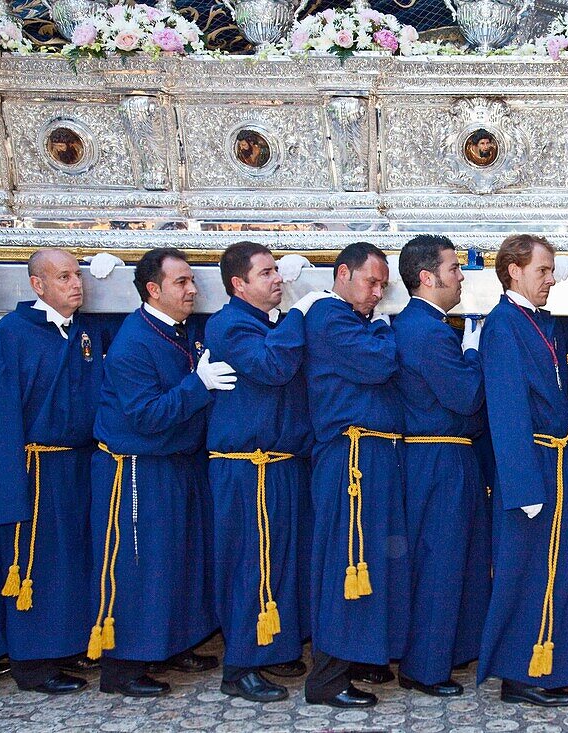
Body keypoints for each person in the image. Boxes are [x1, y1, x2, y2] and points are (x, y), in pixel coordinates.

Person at [89, 247, 234, 697]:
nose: (192, 289)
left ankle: (172, 643)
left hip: (176, 462)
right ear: (153, 289)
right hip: (138, 468)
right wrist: (198, 385)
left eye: (192, 280)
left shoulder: (177, 331)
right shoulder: (135, 341)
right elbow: (145, 415)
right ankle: (125, 665)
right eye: (181, 282)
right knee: (139, 564)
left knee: (181, 560)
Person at [204, 242, 330, 703]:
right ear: (239, 284)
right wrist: (299, 314)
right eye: (266, 274)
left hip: (279, 464)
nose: (277, 279)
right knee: (247, 564)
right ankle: (239, 667)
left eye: (277, 270)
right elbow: (272, 368)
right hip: (246, 470)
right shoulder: (229, 324)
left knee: (280, 562)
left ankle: (271, 646)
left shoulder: (266, 323)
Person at [477, 234, 568, 707]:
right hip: (532, 465)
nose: (552, 279)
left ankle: (547, 664)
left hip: (557, 460)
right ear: (514, 271)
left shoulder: (537, 322)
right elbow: (507, 410)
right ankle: (521, 674)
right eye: (543, 270)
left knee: (558, 568)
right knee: (526, 571)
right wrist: (523, 485)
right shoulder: (504, 325)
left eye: (551, 270)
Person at [0, 249, 111, 694]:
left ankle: (66, 644)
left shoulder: (84, 331)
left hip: (77, 464)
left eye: (78, 276)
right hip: (36, 466)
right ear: (37, 286)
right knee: (35, 564)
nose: (76, 284)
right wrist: (10, 485)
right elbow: (4, 412)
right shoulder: (12, 333)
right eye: (63, 277)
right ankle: (32, 661)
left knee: (74, 559)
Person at [302, 242, 404, 709]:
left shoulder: (354, 319)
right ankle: (327, 679)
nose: (378, 293)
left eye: (384, 285)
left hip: (370, 456)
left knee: (369, 561)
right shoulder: (328, 315)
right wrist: (384, 326)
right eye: (372, 281)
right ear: (343, 274)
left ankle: (359, 656)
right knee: (346, 561)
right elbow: (378, 363)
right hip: (350, 460)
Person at [392, 235, 491, 697]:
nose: (461, 276)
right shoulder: (427, 329)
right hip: (438, 456)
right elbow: (466, 396)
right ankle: (425, 667)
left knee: (454, 557)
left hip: (443, 453)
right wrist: (474, 353)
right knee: (440, 561)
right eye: (454, 269)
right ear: (427, 278)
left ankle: (445, 652)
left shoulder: (425, 325)